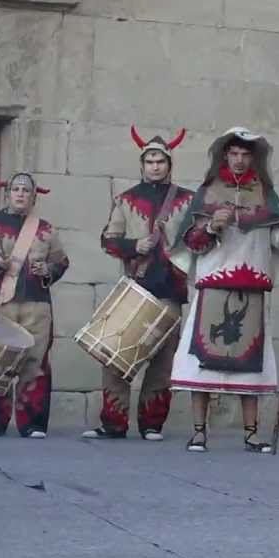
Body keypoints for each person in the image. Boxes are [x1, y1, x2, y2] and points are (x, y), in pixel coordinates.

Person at [169, 127, 279, 453]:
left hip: (252, 284)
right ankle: (199, 433)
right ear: (225, 155)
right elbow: (192, 244)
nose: (239, 160)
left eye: (245, 154)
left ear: (253, 157)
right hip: (213, 284)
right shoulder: (207, 192)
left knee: (250, 368)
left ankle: (251, 434)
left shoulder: (267, 194)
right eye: (234, 153)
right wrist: (211, 226)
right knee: (201, 363)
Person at [84, 127, 193, 441]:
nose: (155, 166)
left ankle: (152, 424)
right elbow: (108, 239)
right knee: (114, 354)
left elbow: (198, 241)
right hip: (136, 285)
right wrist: (134, 246)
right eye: (150, 161)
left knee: (162, 361)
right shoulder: (126, 199)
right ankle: (114, 424)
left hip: (171, 288)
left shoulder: (187, 201)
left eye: (161, 161)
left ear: (169, 164)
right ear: (142, 165)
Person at [0, 172, 69, 439]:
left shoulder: (46, 229)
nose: (21, 194)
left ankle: (32, 424)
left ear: (34, 197)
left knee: (36, 363)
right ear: (7, 193)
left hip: (36, 305)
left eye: (26, 190)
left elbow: (62, 262)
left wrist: (48, 269)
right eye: (16, 189)